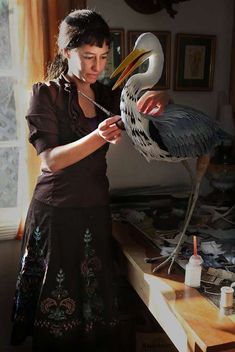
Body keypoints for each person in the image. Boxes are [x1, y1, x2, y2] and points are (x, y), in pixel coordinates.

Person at [11, 8, 169, 352]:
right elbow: (51, 161)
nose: (97, 66)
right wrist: (98, 136)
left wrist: (162, 97)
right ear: (66, 52)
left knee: (95, 318)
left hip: (95, 211)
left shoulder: (109, 94)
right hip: (56, 216)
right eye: (87, 57)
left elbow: (145, 104)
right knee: (57, 318)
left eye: (102, 57)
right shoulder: (45, 94)